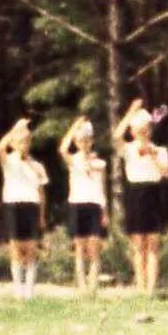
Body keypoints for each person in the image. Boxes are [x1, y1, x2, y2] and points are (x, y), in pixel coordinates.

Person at [114, 101, 168, 300]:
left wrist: (153, 155)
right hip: (135, 194)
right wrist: (130, 112)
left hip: (153, 193)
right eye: (138, 130)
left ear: (150, 130)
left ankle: (151, 289)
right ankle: (140, 287)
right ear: (133, 131)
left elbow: (165, 172)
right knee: (138, 245)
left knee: (153, 244)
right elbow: (116, 136)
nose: (142, 133)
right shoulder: (128, 149)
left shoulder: (160, 150)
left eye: (145, 130)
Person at [0, 119, 46, 299]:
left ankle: (30, 290)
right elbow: (0, 147)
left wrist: (41, 215)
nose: (24, 145)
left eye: (27, 141)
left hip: (31, 206)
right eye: (20, 141)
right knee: (15, 247)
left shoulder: (37, 166)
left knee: (31, 247)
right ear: (14, 144)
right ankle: (18, 289)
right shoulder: (9, 161)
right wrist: (15, 128)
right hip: (13, 205)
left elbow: (41, 193)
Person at [58, 118, 109, 295]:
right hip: (77, 204)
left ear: (92, 141)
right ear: (76, 142)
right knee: (80, 246)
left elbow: (102, 187)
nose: (84, 143)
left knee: (94, 246)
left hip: (94, 204)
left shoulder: (100, 163)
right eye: (80, 140)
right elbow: (62, 148)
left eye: (87, 139)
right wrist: (73, 127)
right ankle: (81, 286)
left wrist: (105, 211)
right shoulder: (73, 160)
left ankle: (93, 286)